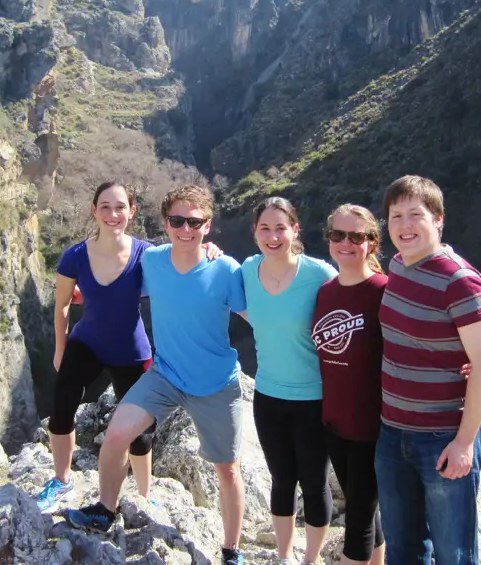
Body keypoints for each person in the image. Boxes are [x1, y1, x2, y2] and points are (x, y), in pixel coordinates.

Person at [64, 184, 249, 565]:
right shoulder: (154, 261)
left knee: (227, 470)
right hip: (165, 376)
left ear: (208, 225)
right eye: (177, 220)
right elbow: (116, 282)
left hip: (216, 385)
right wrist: (77, 297)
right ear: (165, 223)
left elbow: (255, 316)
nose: (186, 229)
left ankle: (231, 551)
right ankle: (105, 509)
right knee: (117, 433)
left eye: (194, 222)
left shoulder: (225, 268)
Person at [36, 181, 220, 514]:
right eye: (104, 206)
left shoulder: (147, 255)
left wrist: (209, 251)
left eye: (120, 207)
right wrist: (60, 349)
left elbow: (183, 260)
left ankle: (145, 493)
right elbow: (63, 303)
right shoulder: (75, 256)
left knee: (141, 431)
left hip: (131, 351)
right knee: (62, 406)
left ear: (131, 212)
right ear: (94, 210)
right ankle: (62, 480)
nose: (112, 214)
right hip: (87, 342)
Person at [375, 176, 481, 565]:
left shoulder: (460, 281)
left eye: (416, 215)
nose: (405, 225)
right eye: (396, 216)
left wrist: (464, 443)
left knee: (453, 552)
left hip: (441, 437)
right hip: (392, 432)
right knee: (403, 548)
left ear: (438, 220)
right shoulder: (397, 265)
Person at [240, 197, 336, 565]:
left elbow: (357, 302)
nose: (273, 236)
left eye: (281, 227)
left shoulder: (319, 275)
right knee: (281, 480)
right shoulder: (248, 270)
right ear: (254, 233)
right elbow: (217, 283)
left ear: (295, 230)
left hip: (314, 399)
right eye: (265, 228)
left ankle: (310, 559)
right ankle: (285, 556)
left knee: (314, 483)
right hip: (268, 396)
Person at [311, 204, 387, 565]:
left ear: (371, 243)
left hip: (372, 428)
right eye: (337, 235)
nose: (345, 243)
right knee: (367, 514)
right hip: (334, 423)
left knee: (356, 522)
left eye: (356, 236)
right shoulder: (326, 292)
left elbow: (422, 336)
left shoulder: (385, 291)